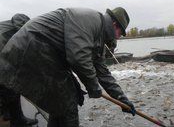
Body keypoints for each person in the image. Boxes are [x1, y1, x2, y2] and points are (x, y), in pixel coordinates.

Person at [0, 7, 136, 127]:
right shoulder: (90, 20)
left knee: (62, 102)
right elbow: (78, 58)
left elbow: (103, 73)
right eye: (120, 33)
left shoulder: (99, 38)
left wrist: (122, 99)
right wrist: (93, 87)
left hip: (47, 55)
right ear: (114, 25)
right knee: (68, 102)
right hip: (34, 48)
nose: (118, 38)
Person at [0, 13, 38, 126]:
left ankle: (14, 117)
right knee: (8, 89)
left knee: (12, 87)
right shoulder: (3, 35)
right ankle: (14, 119)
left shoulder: (12, 28)